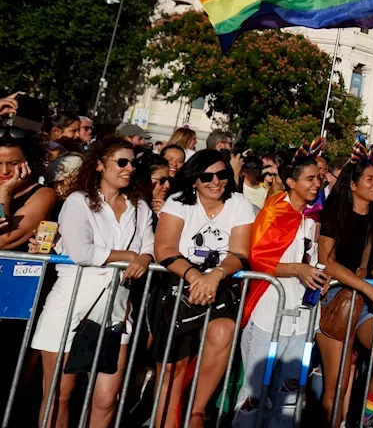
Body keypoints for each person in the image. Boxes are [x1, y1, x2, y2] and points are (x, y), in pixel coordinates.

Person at [30, 138, 155, 428]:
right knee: (59, 394)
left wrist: (144, 257)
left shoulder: (139, 206)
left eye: (133, 163)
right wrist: (129, 256)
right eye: (121, 162)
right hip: (70, 305)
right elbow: (81, 252)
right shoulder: (78, 201)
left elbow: (150, 248)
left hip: (116, 310)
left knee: (107, 398)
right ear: (99, 165)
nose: (129, 168)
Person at [152, 149, 254, 428]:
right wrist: (196, 276)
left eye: (222, 174)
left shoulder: (239, 203)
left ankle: (196, 412)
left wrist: (215, 275)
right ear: (194, 179)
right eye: (206, 176)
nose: (215, 181)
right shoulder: (178, 202)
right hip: (178, 282)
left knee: (224, 331)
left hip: (220, 283)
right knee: (172, 368)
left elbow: (240, 252)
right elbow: (164, 249)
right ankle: (165, 420)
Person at [233, 156, 327, 427]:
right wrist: (297, 269)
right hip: (269, 312)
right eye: (310, 179)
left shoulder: (317, 215)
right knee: (255, 392)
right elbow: (258, 258)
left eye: (318, 179)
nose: (316, 184)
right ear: (290, 182)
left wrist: (320, 275)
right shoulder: (275, 210)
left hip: (304, 317)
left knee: (290, 392)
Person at [316, 157, 373, 427]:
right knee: (337, 387)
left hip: (370, 301)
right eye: (370, 178)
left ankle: (362, 418)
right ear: (353, 185)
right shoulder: (335, 213)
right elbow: (326, 261)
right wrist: (367, 287)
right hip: (336, 298)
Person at [131, 152, 171, 218]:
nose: (167, 185)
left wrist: (163, 217)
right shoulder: (130, 207)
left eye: (168, 180)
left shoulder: (169, 205)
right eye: (162, 180)